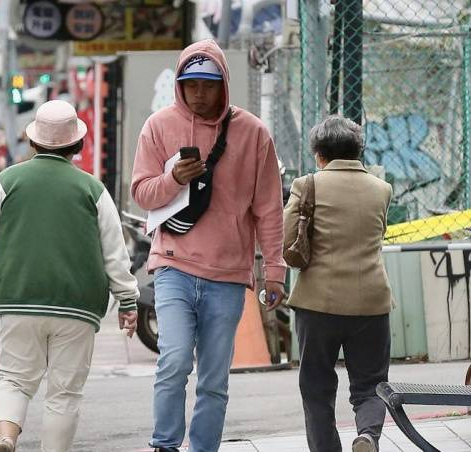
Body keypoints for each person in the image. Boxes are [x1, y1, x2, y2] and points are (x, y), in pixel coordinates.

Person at [130, 39, 287, 452]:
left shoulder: (254, 133)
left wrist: (274, 270)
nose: (199, 93)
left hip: (228, 274)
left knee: (214, 379)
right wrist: (173, 180)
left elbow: (269, 208)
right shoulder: (158, 126)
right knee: (174, 361)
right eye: (191, 84)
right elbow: (142, 193)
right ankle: (165, 444)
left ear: (224, 85)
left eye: (209, 84)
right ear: (179, 84)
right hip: (174, 265)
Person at [0, 100, 139, 452]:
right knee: (65, 393)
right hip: (78, 305)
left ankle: (6, 436)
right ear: (77, 144)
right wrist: (127, 300)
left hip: (16, 299)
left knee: (13, 379)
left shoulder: (6, 181)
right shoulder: (93, 189)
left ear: (33, 142)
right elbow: (115, 252)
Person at [282, 115, 393, 452]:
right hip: (371, 303)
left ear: (319, 155)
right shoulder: (382, 189)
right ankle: (368, 435)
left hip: (318, 303)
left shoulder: (306, 185)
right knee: (371, 384)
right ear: (359, 151)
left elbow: (288, 241)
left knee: (316, 387)